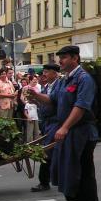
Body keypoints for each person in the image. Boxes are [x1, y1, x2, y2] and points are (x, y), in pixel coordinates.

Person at [27, 45, 100, 201]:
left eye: (64, 57)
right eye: (60, 57)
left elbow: (81, 106)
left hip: (82, 132)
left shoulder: (84, 79)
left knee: (84, 173)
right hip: (67, 132)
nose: (60, 61)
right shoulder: (63, 80)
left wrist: (65, 127)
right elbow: (53, 101)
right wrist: (36, 96)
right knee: (69, 171)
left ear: (75, 58)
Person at [31, 63, 61, 192]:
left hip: (55, 122)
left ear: (55, 73)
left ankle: (44, 182)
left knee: (47, 152)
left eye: (47, 72)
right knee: (50, 152)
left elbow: (54, 103)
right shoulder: (46, 87)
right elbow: (44, 103)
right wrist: (35, 101)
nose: (44, 74)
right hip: (46, 123)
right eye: (44, 72)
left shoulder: (59, 86)